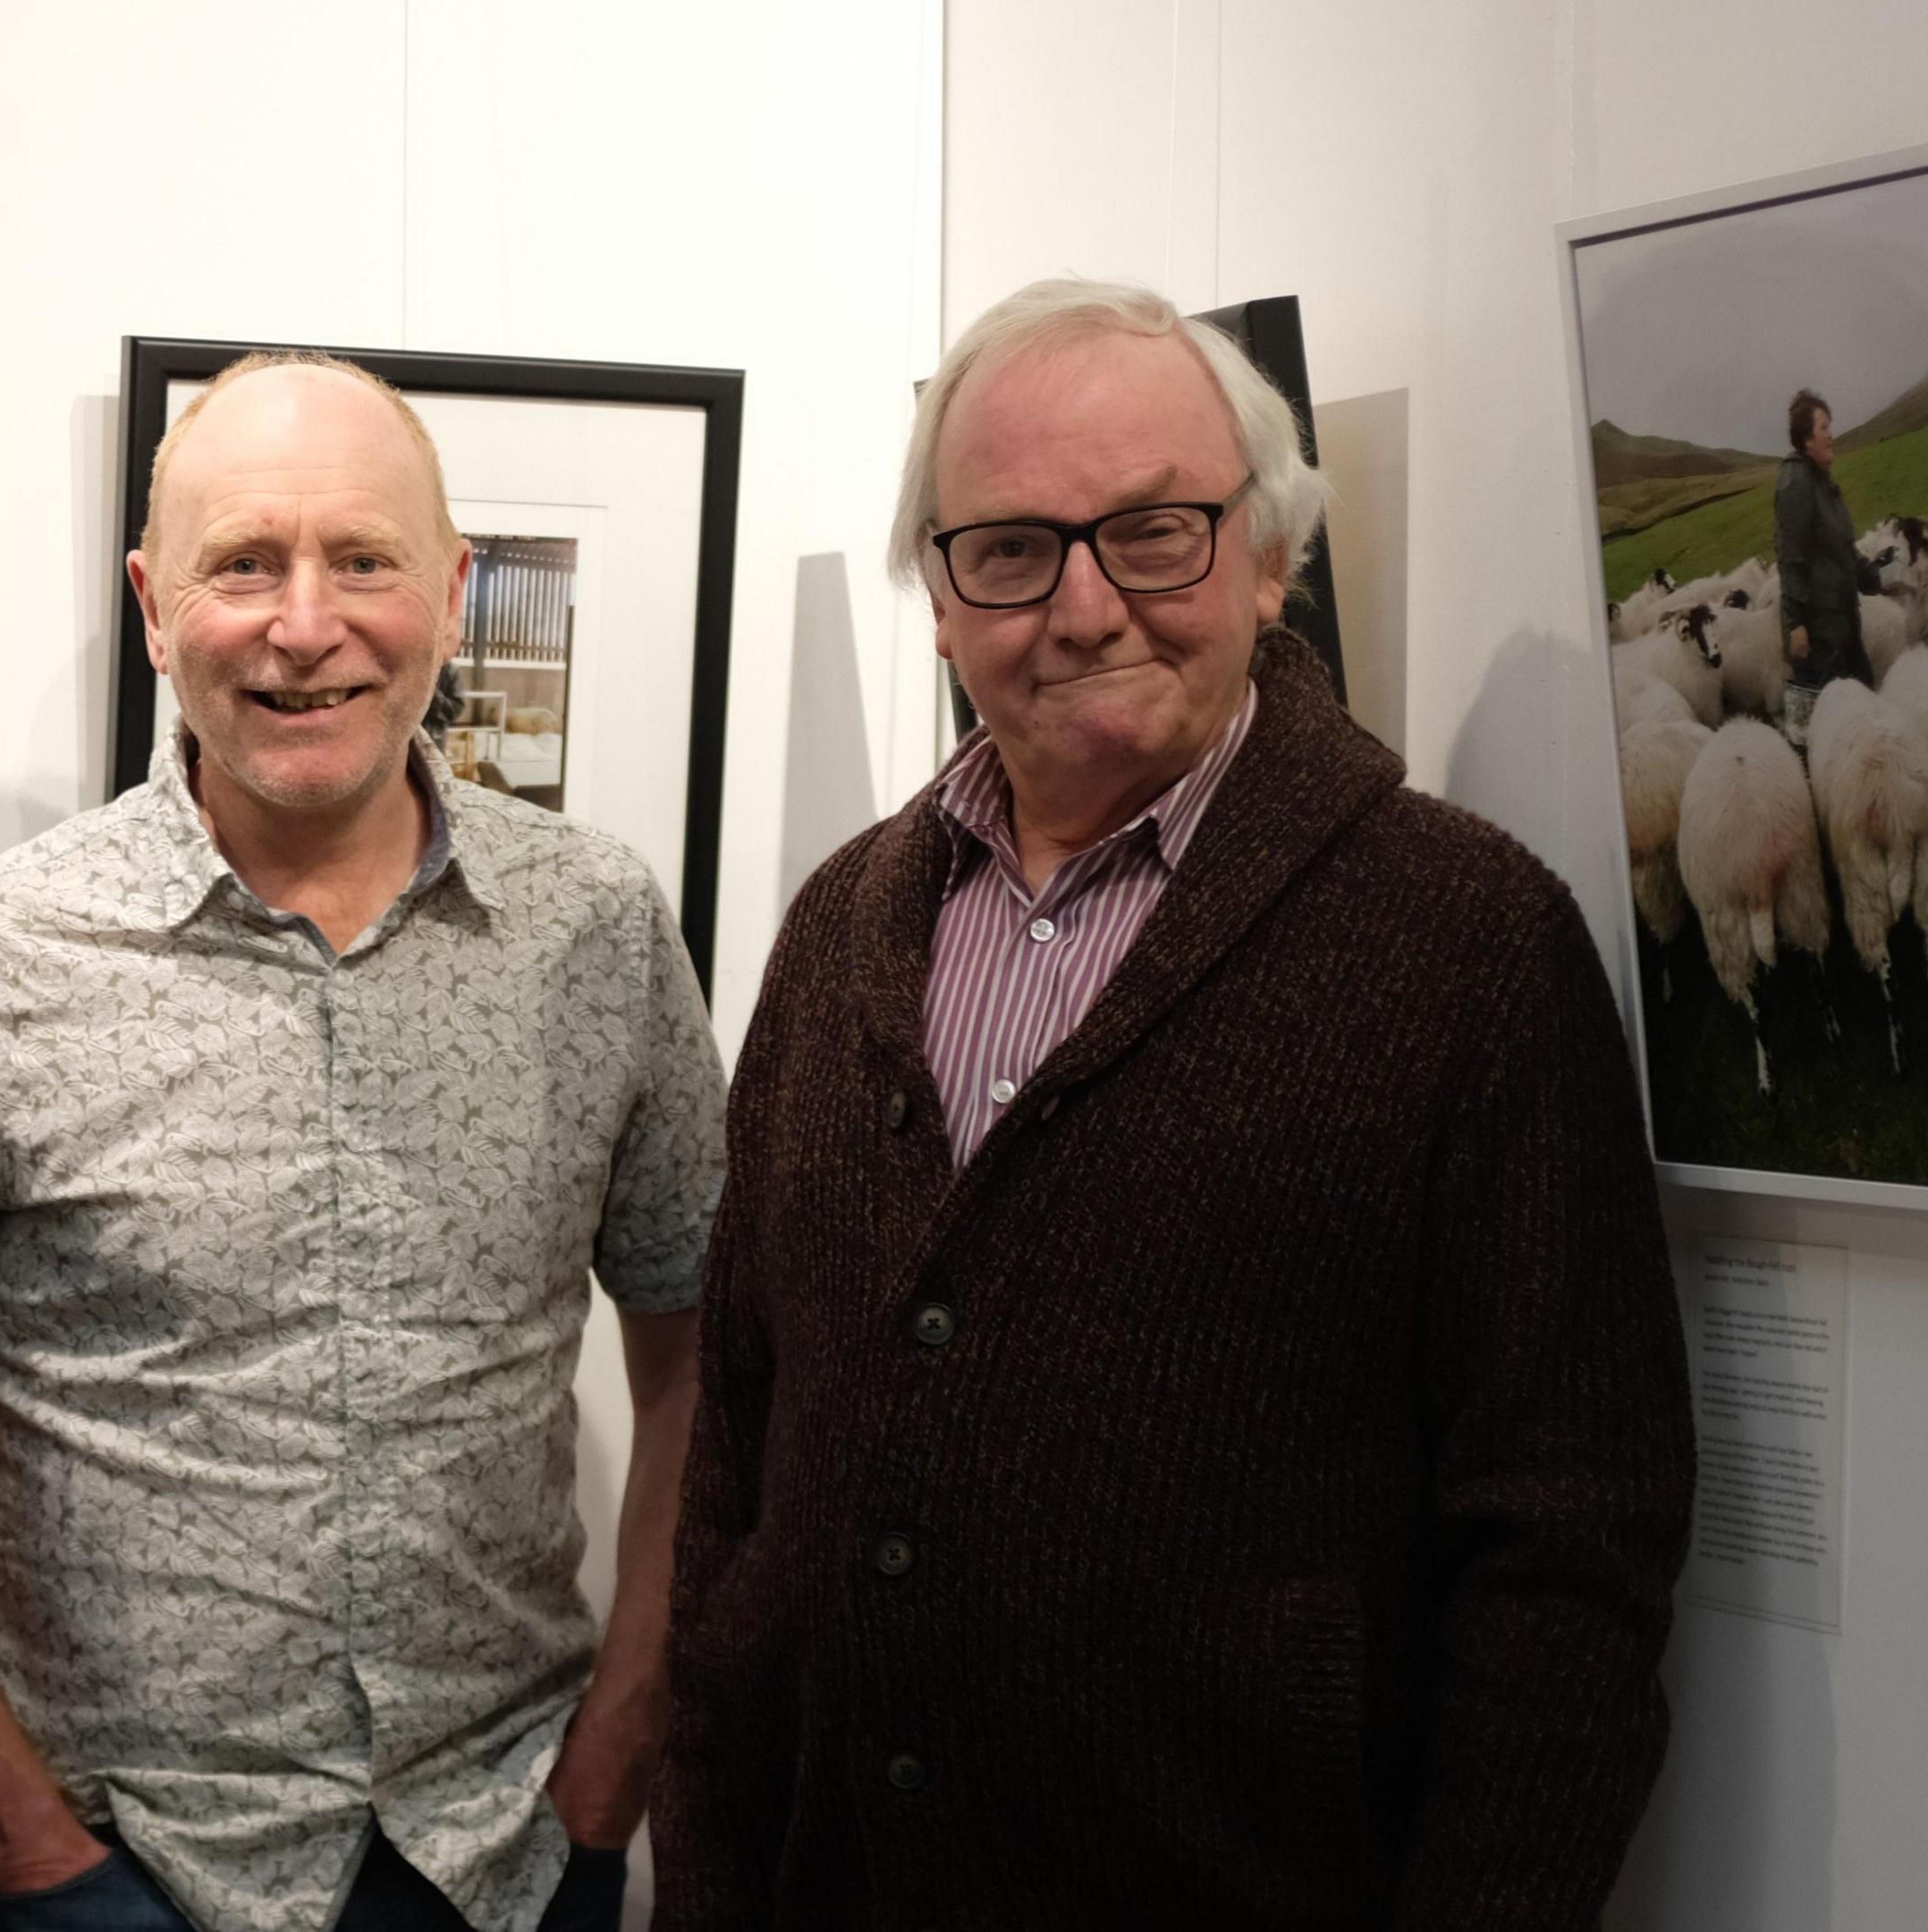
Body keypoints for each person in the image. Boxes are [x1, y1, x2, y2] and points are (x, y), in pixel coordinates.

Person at [652, 279, 1695, 1929]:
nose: (1080, 609)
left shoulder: (1464, 944)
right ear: (939, 596)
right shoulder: (845, 924)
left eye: (1154, 533)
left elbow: (1571, 1563)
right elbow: (739, 1477)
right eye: (1007, 548)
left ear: (1271, 558)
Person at [0, 352, 723, 1932]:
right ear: (155, 603)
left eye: (363, 560)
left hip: (503, 1858)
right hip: (124, 1875)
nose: (304, 626)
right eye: (242, 562)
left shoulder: (598, 929)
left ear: (452, 592)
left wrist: (617, 1766)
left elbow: (701, 1358)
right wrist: (16, 1838)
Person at [1773, 386, 1875, 737]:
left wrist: (1875, 578)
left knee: (1862, 715)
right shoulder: (1796, 482)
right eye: (1823, 428)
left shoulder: (1824, 485)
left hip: (1842, 623)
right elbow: (1791, 556)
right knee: (1815, 732)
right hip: (1816, 633)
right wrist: (1795, 623)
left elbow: (1843, 550)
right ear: (1806, 439)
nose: (1831, 434)